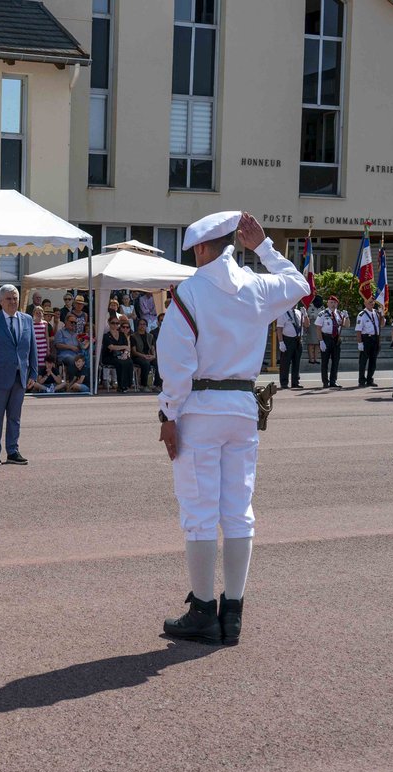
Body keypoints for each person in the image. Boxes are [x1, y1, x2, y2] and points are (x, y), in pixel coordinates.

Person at [157, 211, 307, 646]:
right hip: (242, 407)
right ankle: (234, 612)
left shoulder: (190, 292)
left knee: (199, 513)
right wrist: (264, 247)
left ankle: (204, 611)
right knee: (239, 511)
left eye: (194, 250)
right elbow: (299, 284)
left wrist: (168, 415)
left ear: (204, 248)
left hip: (200, 409)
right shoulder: (257, 286)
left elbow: (177, 364)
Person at [0, 284, 36, 466]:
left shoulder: (27, 320)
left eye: (15, 298)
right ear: (1, 301)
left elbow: (32, 348)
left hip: (20, 377)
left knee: (15, 417)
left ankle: (12, 451)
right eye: (9, 299)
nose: (12, 302)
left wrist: (33, 373)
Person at [314, 294, 348, 388]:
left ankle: (333, 381)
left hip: (336, 339)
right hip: (326, 338)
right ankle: (325, 382)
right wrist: (321, 341)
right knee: (325, 361)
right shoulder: (322, 314)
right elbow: (318, 328)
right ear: (328, 303)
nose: (333, 304)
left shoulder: (339, 314)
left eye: (335, 303)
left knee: (335, 361)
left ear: (337, 304)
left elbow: (346, 325)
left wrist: (347, 317)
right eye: (331, 302)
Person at [275, 302, 307, 390]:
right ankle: (284, 382)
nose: (295, 303)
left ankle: (295, 382)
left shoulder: (299, 312)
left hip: (298, 339)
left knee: (297, 362)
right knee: (285, 363)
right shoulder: (283, 313)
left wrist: (305, 315)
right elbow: (279, 329)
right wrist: (281, 342)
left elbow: (306, 324)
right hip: (287, 339)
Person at [355, 296, 384, 388]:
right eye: (369, 302)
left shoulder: (377, 313)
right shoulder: (361, 315)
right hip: (366, 339)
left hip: (375, 339)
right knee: (363, 361)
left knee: (373, 361)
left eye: (372, 302)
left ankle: (369, 380)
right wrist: (360, 343)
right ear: (365, 303)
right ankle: (361, 380)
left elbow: (382, 324)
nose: (371, 304)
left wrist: (382, 315)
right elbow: (358, 330)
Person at [102, 316, 134, 392]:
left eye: (117, 323)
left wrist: (125, 354)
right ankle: (121, 385)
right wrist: (123, 347)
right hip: (109, 356)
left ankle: (128, 384)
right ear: (109, 323)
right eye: (113, 323)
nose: (115, 325)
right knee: (120, 363)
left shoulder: (122, 335)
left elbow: (127, 348)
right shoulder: (106, 335)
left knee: (129, 361)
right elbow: (111, 347)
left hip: (121, 355)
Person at [130, 317, 157, 390]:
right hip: (138, 357)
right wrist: (144, 356)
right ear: (137, 326)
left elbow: (152, 348)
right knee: (145, 363)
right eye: (140, 324)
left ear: (146, 326)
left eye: (144, 324)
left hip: (148, 356)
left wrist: (153, 356)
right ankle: (143, 385)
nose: (142, 326)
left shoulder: (150, 336)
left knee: (158, 363)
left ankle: (157, 385)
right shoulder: (133, 336)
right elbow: (134, 351)